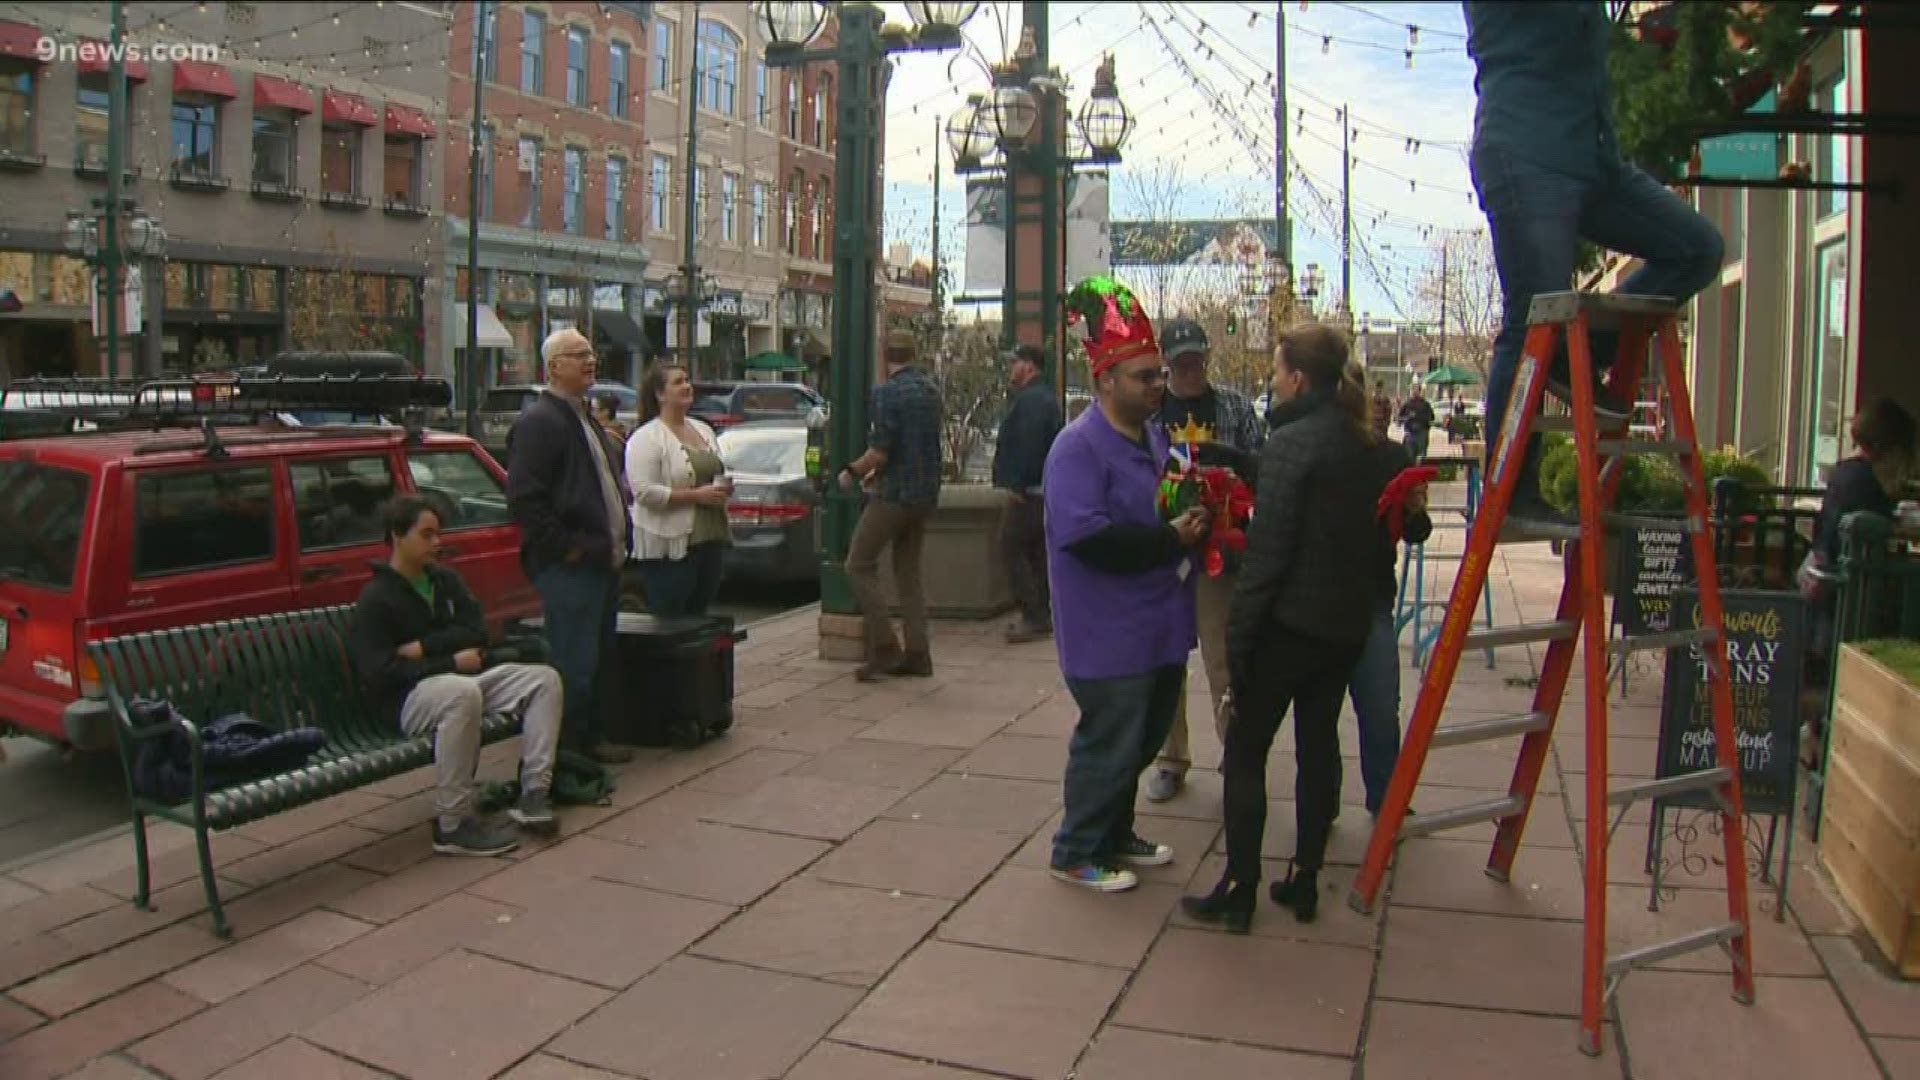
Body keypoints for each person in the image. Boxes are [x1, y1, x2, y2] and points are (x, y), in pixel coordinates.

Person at [1466, 1, 1725, 526]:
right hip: (1526, 151)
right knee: (1532, 315)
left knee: (1697, 248)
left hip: (1596, 161)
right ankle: (1511, 493)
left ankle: (1577, 355)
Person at [1183, 324, 1386, 931]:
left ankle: (1239, 887)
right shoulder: (1363, 440)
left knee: (1246, 752)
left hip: (1289, 626)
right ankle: (1303, 878)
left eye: (1275, 371)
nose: (1270, 382)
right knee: (1318, 742)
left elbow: (1267, 557)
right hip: (1343, 627)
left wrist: (1238, 642)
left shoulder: (1295, 441)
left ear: (1298, 378)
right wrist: (1240, 460)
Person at [1046, 277, 1207, 892]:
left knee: (1140, 740)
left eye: (1159, 374)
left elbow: (1167, 502)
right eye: (1144, 376)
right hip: (1105, 634)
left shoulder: (1158, 437)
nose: (1158, 386)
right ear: (1104, 381)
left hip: (1159, 627)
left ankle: (1114, 832)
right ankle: (1075, 849)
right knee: (1109, 741)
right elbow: (1090, 538)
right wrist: (1172, 539)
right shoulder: (1076, 450)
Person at [350, 496, 563, 857]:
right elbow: (381, 672)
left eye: (439, 534)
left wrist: (424, 646)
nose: (437, 543)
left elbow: (476, 631)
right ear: (397, 536)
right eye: (427, 534)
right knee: (462, 692)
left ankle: (534, 793)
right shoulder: (376, 600)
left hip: (461, 680)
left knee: (543, 680)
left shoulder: (444, 580)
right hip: (408, 699)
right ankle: (451, 824)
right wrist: (448, 660)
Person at [1143, 317, 1265, 803]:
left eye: (1197, 360)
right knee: (1166, 659)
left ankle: (1234, 758)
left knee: (1223, 660)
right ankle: (1170, 758)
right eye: (1181, 362)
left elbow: (1260, 465)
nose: (1190, 370)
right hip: (1168, 551)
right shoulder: (1151, 416)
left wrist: (1225, 462)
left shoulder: (1233, 406)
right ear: (1167, 364)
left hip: (1221, 554)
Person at [505, 328, 633, 765]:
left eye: (591, 353)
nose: (590, 361)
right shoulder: (540, 422)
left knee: (597, 658)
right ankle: (567, 750)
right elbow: (525, 498)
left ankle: (590, 738)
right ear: (554, 366)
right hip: (572, 567)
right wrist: (567, 549)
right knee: (574, 663)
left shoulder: (585, 418)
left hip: (602, 562)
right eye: (579, 355)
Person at [1347, 361, 1433, 815]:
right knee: (1316, 719)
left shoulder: (1391, 456)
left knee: (1381, 709)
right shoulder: (1308, 449)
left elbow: (1418, 530)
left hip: (1374, 598)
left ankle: (1386, 799)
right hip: (1316, 602)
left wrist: (1415, 509)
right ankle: (1319, 810)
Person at [839, 328, 944, 682]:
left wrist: (852, 471)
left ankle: (884, 648)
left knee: (858, 564)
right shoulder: (931, 390)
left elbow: (880, 451)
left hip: (896, 495)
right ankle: (918, 653)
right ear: (913, 354)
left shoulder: (887, 394)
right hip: (925, 494)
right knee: (908, 573)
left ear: (885, 355)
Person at [626, 363, 732, 617]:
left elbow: (713, 472)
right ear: (660, 394)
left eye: (687, 380)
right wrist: (695, 496)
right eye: (677, 382)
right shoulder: (646, 438)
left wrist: (722, 489)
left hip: (710, 538)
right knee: (671, 618)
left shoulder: (703, 429)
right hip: (670, 548)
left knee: (699, 616)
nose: (686, 386)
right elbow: (643, 491)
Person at [993, 343, 1065, 644]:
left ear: (1030, 367)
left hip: (1030, 491)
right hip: (1042, 491)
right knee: (1036, 554)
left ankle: (1034, 616)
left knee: (1010, 547)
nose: (1012, 368)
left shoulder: (1033, 401)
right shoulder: (1041, 398)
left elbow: (1031, 445)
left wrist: (1017, 484)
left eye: (1016, 363)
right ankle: (1041, 614)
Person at [1397, 383, 1436, 462]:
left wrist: (1418, 417)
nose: (1414, 392)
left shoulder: (1425, 404)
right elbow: (1400, 417)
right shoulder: (1407, 404)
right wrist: (1406, 418)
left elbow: (1431, 418)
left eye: (1416, 390)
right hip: (1410, 433)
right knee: (1409, 457)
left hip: (1421, 433)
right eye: (1413, 390)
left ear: (1420, 391)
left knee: (1421, 458)